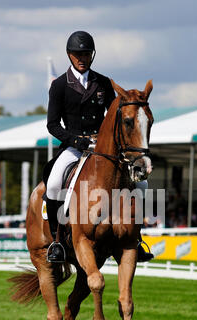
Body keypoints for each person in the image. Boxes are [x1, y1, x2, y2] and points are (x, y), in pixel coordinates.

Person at [45, 30, 153, 263]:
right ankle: (56, 241)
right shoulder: (60, 86)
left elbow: (113, 117)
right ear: (69, 55)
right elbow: (52, 125)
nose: (81, 58)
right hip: (74, 147)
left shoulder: (102, 82)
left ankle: (137, 238)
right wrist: (76, 140)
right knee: (54, 184)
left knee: (142, 184)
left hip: (101, 147)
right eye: (77, 54)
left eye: (85, 53)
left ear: (92, 55)